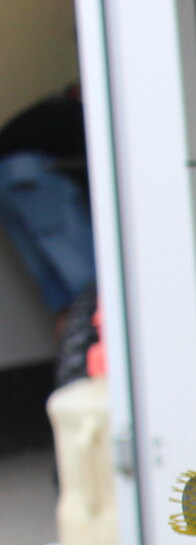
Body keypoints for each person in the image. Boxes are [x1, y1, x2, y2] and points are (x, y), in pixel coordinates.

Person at [0, 88, 97, 386]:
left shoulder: (52, 109)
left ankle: (70, 385)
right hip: (32, 177)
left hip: (7, 184)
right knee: (92, 293)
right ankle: (93, 384)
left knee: (65, 303)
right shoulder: (88, 113)